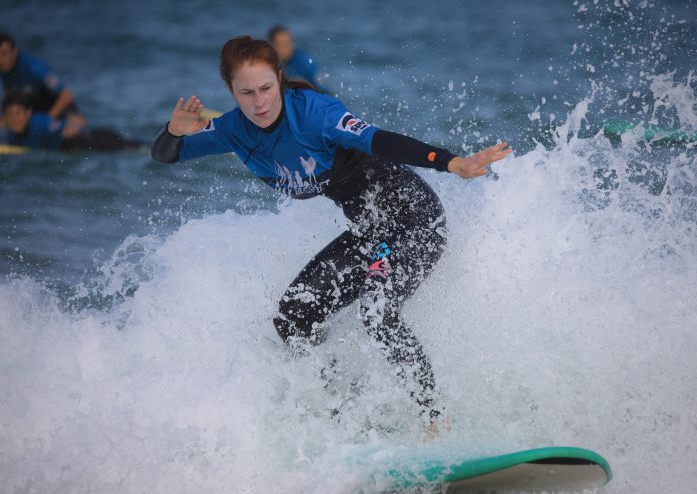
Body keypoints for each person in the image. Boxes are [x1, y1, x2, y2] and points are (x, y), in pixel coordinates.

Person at [151, 35, 510, 433]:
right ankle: (343, 415)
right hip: (373, 233)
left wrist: (450, 162)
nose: (260, 102)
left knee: (378, 310)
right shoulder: (233, 130)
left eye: (267, 88)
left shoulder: (315, 113)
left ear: (281, 79)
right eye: (247, 92)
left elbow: (380, 139)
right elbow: (165, 154)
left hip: (414, 221)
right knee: (294, 317)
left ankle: (437, 419)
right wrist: (173, 129)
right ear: (231, 92)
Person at [2, 90, 142, 151]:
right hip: (86, 144)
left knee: (138, 148)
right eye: (10, 115)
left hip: (93, 141)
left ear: (28, 113)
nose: (14, 119)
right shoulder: (11, 133)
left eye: (18, 114)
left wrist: (68, 128)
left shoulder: (40, 123)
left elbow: (64, 128)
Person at [0, 32, 86, 128]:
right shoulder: (4, 71)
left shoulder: (34, 68)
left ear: (14, 52)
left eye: (4, 54)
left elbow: (66, 96)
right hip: (35, 113)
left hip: (60, 112)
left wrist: (45, 122)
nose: (1, 59)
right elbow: (11, 101)